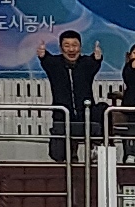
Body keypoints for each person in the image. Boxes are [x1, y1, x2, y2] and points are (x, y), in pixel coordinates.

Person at [40, 30, 103, 164]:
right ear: (61, 48)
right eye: (67, 45)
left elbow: (94, 62)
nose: (71, 49)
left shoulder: (86, 63)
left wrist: (97, 57)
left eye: (75, 45)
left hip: (86, 116)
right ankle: (71, 155)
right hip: (62, 116)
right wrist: (43, 55)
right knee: (57, 154)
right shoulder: (55, 64)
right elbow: (46, 61)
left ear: (80, 47)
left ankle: (95, 151)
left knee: (101, 113)